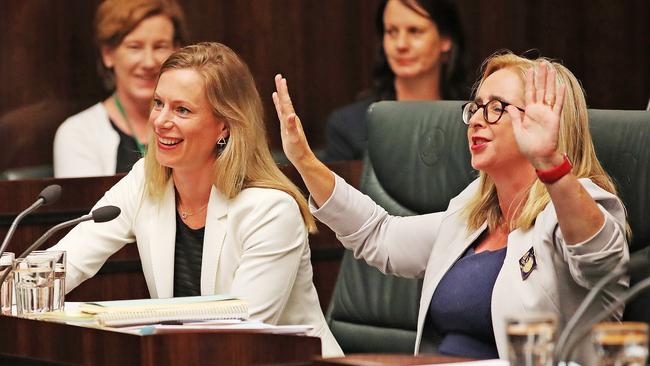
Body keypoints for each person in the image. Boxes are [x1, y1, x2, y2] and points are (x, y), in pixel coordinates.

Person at [273, 52, 629, 363]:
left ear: (548, 123)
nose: (475, 119)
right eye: (475, 107)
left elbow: (601, 264)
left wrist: (551, 163)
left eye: (495, 109)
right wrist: (305, 161)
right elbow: (380, 236)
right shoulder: (471, 212)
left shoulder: (577, 203)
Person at [50, 42, 342, 357]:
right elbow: (65, 262)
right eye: (158, 103)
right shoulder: (145, 180)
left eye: (182, 110)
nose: (160, 121)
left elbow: (241, 339)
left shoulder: (270, 210)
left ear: (225, 126)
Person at [53, 0, 187, 178]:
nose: (149, 62)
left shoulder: (198, 122)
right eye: (134, 47)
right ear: (108, 54)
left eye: (160, 46)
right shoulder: (79, 133)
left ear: (177, 51)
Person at [324, 0, 466, 161]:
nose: (401, 44)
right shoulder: (349, 126)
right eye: (392, 31)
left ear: (445, 40)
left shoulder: (474, 119)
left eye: (414, 31)